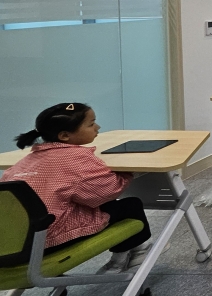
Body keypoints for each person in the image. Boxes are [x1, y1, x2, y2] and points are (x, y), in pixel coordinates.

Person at [2, 103, 152, 273]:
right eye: (91, 124)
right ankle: (135, 251)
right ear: (65, 135)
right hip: (46, 243)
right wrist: (127, 174)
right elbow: (106, 191)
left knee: (89, 205)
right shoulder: (75, 159)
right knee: (130, 205)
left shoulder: (23, 163)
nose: (97, 127)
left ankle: (126, 255)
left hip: (11, 245)